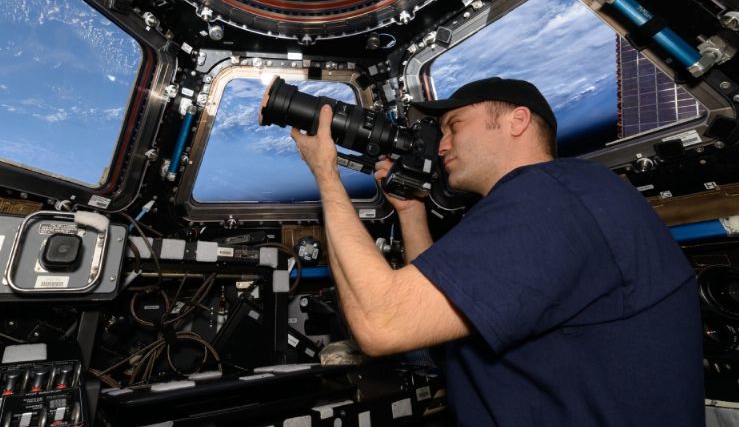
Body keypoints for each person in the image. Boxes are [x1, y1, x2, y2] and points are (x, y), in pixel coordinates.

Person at [289, 76, 704, 426]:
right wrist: (412, 213)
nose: (441, 145)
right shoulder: (565, 195)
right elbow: (430, 318)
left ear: (516, 121)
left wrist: (326, 174)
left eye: (454, 125)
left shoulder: (549, 197)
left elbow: (382, 324)